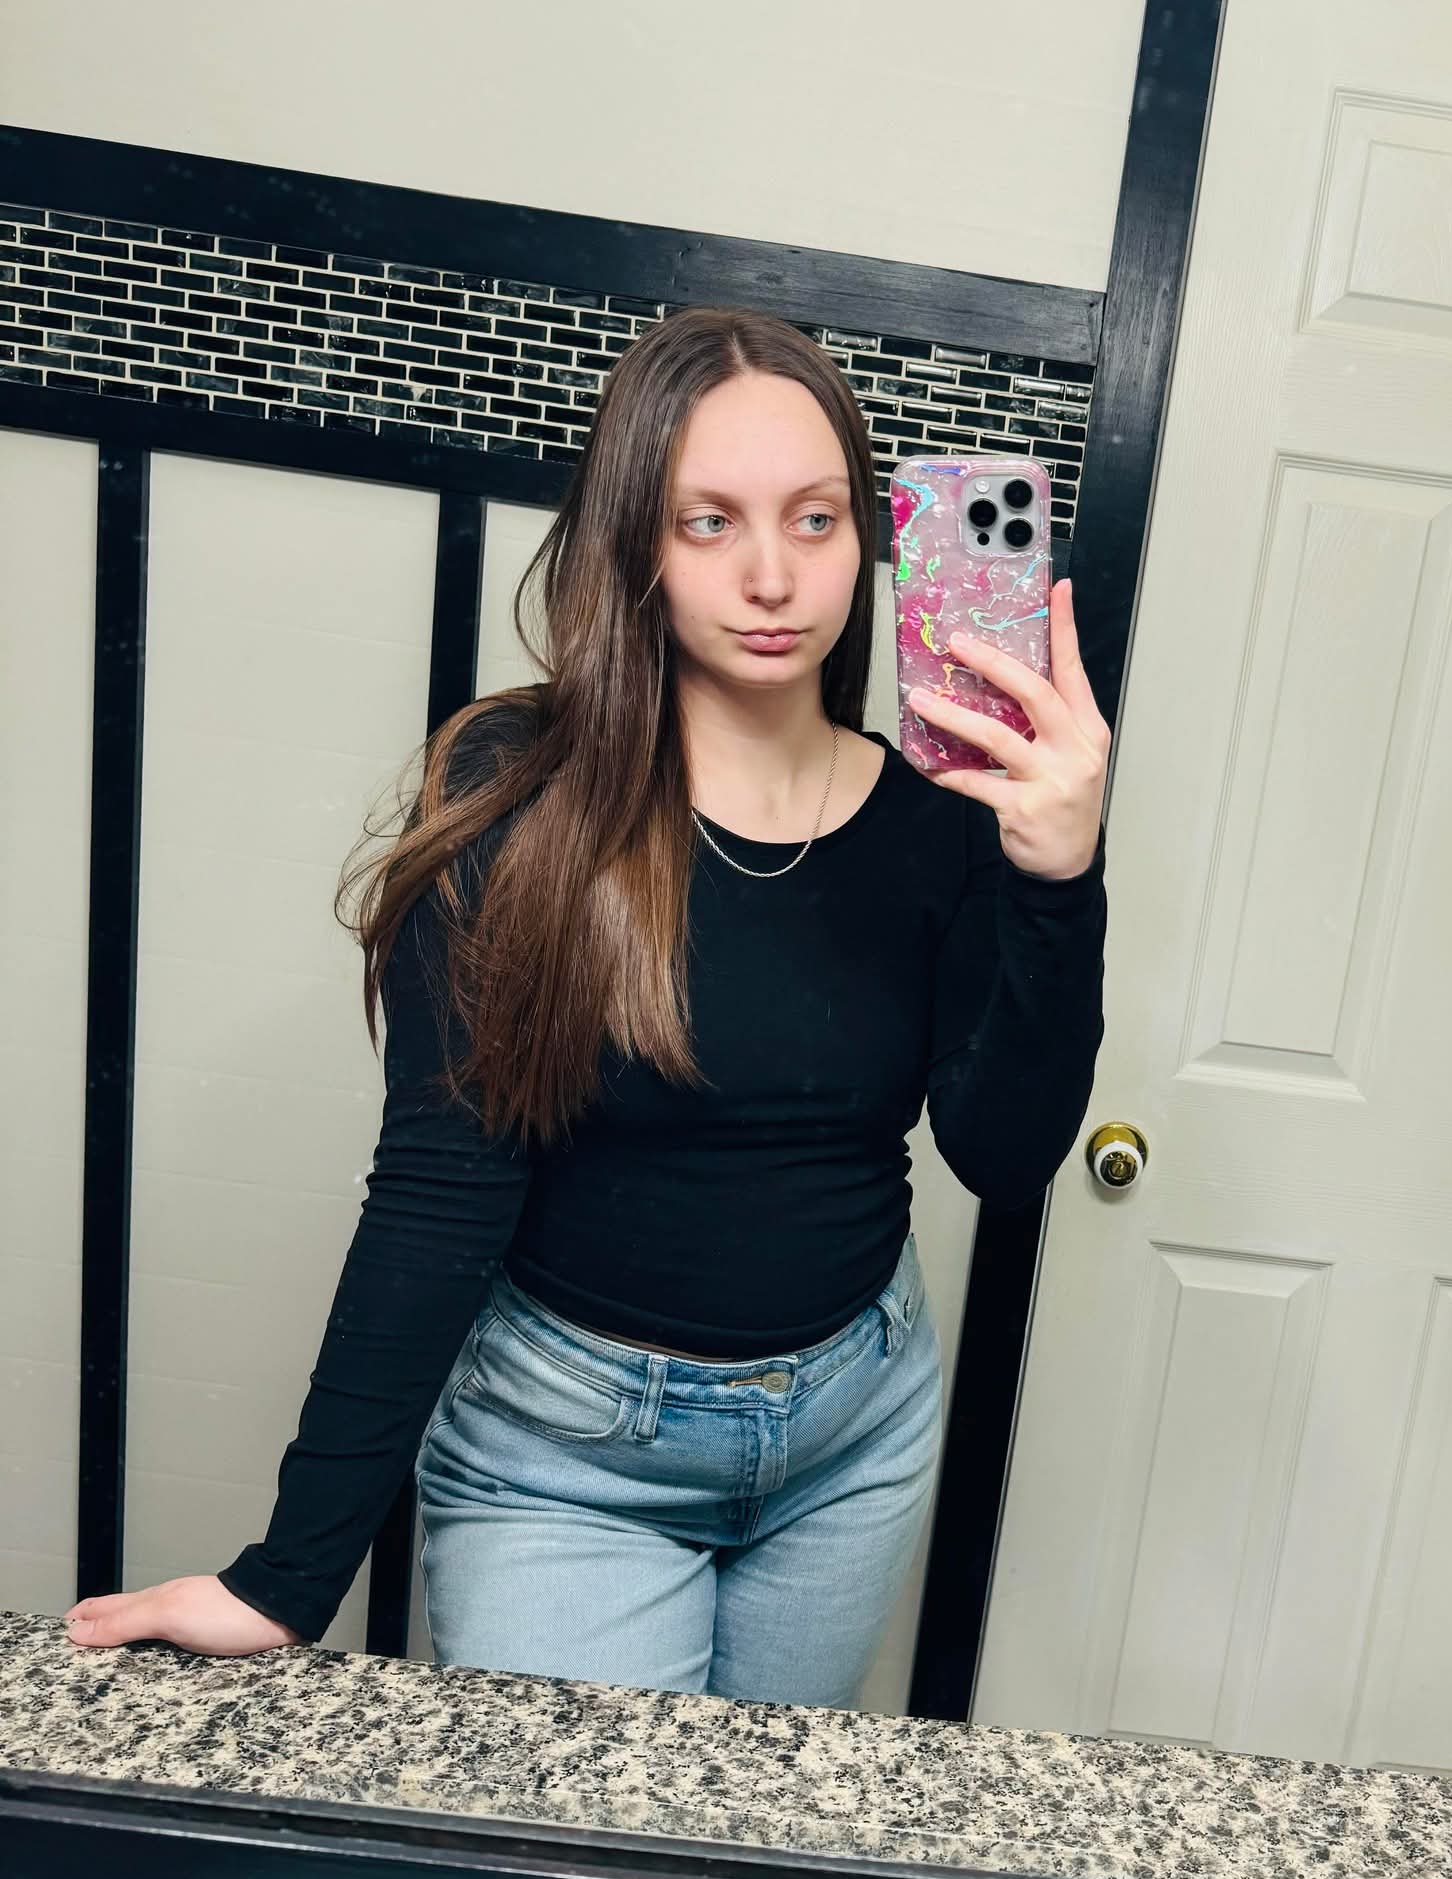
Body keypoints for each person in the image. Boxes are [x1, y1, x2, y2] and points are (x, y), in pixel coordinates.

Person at [62, 306, 1111, 1706]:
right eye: (707, 523)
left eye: (814, 521)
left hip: (852, 1437)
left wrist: (1059, 881)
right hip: (567, 1459)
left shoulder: (946, 817)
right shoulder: (520, 790)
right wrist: (287, 1578)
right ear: (635, 543)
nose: (771, 576)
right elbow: (439, 1190)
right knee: (581, 1837)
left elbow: (1002, 1153)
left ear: (868, 537)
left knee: (743, 1833)